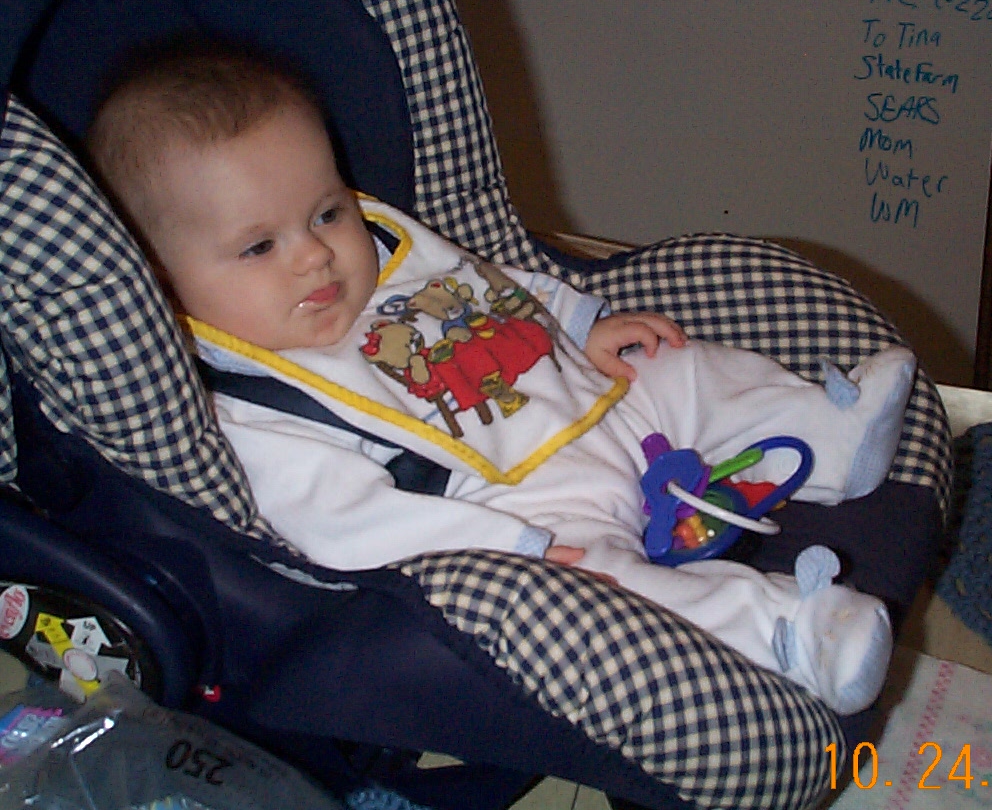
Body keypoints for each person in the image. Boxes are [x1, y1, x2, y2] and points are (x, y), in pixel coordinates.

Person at [86, 41, 917, 716]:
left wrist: (583, 324)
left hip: (594, 403)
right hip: (526, 512)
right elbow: (351, 527)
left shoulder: (386, 254)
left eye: (327, 212)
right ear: (158, 281)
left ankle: (830, 433)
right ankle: (794, 631)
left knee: (676, 366)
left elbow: (485, 286)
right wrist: (514, 552)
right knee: (611, 601)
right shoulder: (252, 410)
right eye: (260, 246)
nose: (314, 254)